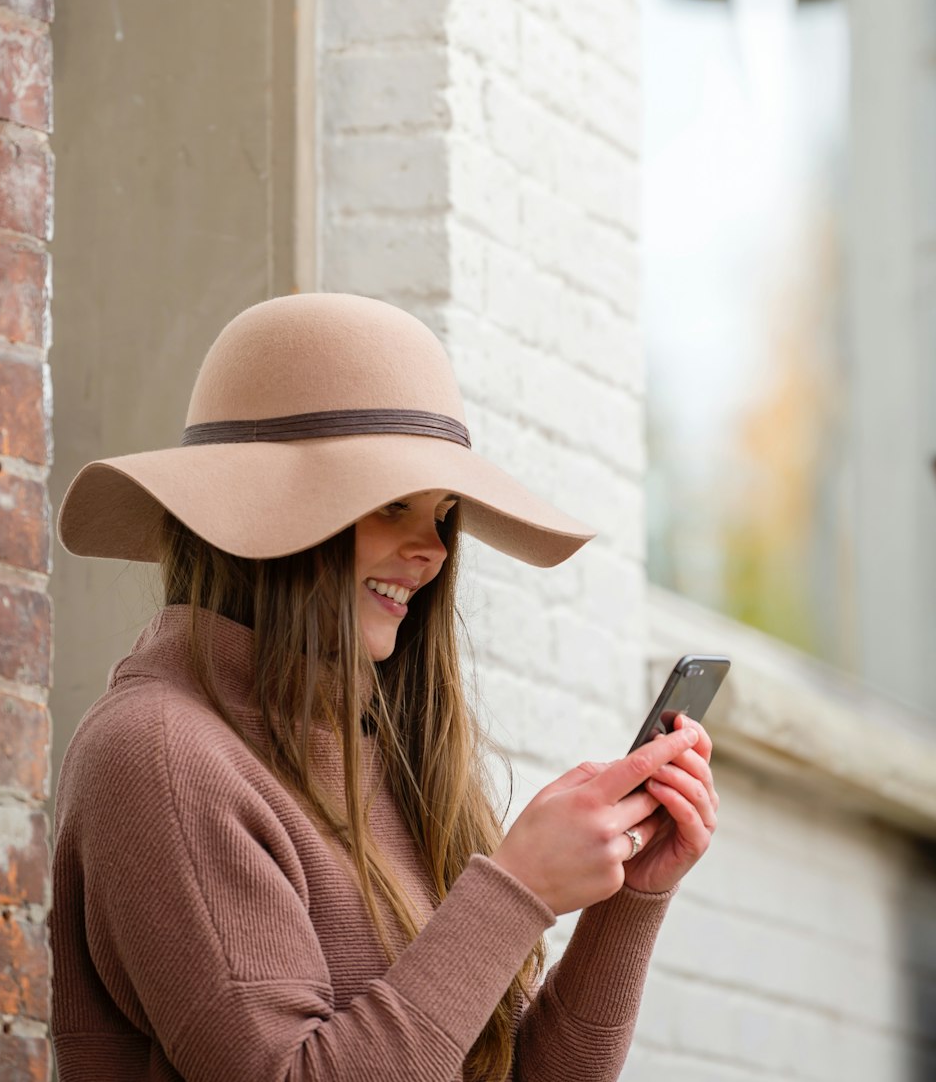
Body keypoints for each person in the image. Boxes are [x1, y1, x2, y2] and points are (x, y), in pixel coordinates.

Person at [49, 292, 718, 1082]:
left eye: (442, 514)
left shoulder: (388, 752)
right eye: (392, 503)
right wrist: (517, 889)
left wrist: (627, 903)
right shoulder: (160, 755)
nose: (431, 550)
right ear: (270, 513)